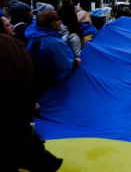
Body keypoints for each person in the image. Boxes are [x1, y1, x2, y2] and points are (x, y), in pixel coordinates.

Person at [0, 20, 63, 172]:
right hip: (15, 114)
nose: (12, 27)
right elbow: (26, 77)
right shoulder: (12, 46)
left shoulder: (20, 42)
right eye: (8, 25)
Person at [25, 11, 80, 100]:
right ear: (51, 24)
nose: (60, 22)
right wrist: (76, 62)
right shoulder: (54, 43)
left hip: (37, 83)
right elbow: (65, 66)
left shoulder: (34, 35)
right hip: (51, 87)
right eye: (57, 20)